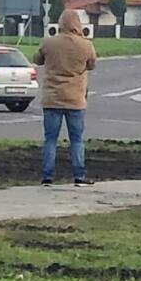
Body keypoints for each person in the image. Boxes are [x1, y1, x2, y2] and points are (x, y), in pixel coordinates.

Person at [34, 10, 97, 187]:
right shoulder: (86, 45)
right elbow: (92, 65)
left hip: (52, 98)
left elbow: (37, 60)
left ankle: (47, 177)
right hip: (76, 100)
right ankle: (79, 176)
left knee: (50, 139)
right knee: (76, 139)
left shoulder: (49, 43)